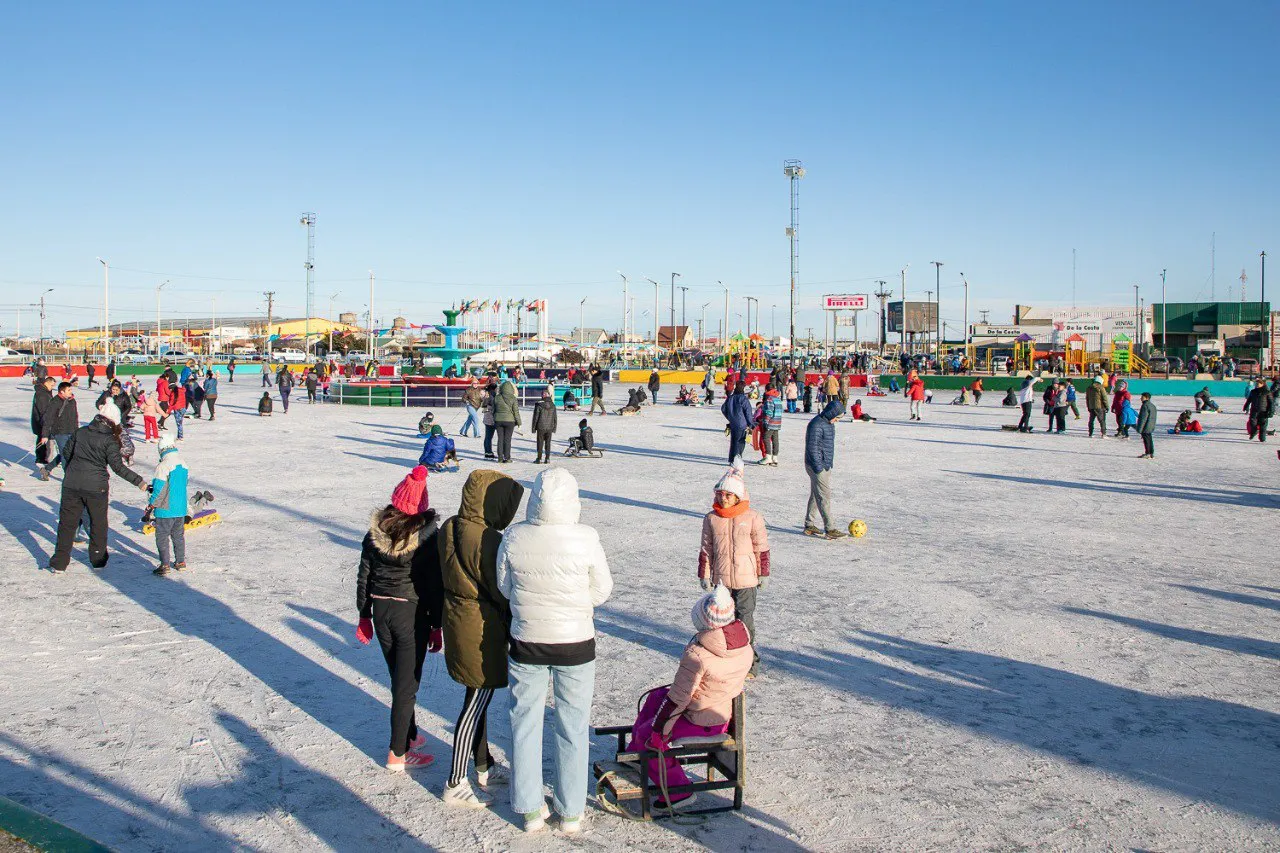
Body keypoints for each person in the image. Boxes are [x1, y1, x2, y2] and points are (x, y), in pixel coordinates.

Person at [497, 468, 612, 833]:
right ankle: (571, 811)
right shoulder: (586, 537)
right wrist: (577, 608)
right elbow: (602, 588)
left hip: (527, 641)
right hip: (575, 644)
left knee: (524, 724)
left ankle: (530, 810)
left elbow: (504, 586)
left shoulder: (515, 535)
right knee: (573, 726)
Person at [438, 469, 525, 808]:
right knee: (475, 703)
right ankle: (455, 780)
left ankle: (483, 764)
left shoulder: (452, 525)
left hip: (459, 619)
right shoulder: (487, 539)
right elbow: (500, 589)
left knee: (478, 698)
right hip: (481, 628)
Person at [625, 585, 753, 809]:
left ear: (703, 623)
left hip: (705, 720)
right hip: (714, 706)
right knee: (656, 697)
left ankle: (677, 792)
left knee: (649, 735)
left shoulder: (698, 655)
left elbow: (678, 699)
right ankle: (637, 756)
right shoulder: (744, 646)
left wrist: (659, 733)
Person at [355, 465, 445, 771]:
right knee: (407, 685)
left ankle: (410, 733)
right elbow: (433, 584)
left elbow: (364, 577)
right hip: (411, 614)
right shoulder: (426, 537)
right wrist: (436, 623)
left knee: (399, 677)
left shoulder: (374, 533)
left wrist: (364, 615)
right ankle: (398, 753)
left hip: (382, 612)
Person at [47, 400, 148, 572]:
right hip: (96, 487)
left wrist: (74, 470)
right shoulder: (109, 440)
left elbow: (66, 453)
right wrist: (139, 481)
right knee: (98, 523)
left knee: (67, 524)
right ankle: (97, 559)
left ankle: (60, 562)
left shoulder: (80, 432)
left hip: (72, 484)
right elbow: (118, 467)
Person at [697, 462, 768, 675]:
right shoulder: (712, 518)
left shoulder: (752, 517)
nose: (723, 498)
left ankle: (749, 663)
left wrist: (763, 573)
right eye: (720, 494)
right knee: (723, 623)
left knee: (744, 621)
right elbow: (706, 548)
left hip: (746, 580)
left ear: (738, 496)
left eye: (728, 495)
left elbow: (761, 548)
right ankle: (726, 659)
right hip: (722, 581)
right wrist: (704, 573)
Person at [147, 431, 191, 576]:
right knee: (178, 536)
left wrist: (152, 504)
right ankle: (180, 562)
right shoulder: (183, 463)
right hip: (180, 508)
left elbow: (159, 489)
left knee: (162, 536)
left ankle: (164, 564)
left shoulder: (164, 465)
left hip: (165, 509)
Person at [804, 400, 846, 539]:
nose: (837, 420)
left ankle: (809, 525)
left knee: (816, 494)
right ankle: (830, 529)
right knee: (824, 496)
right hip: (816, 465)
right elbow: (813, 448)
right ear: (832, 413)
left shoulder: (828, 424)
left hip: (824, 463)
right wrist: (818, 467)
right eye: (837, 417)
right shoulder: (816, 425)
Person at [38, 382, 80, 480]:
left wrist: (77, 431)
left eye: (71, 390)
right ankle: (69, 478)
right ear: (62, 391)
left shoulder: (72, 401)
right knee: (65, 454)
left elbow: (75, 417)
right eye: (68, 390)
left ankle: (47, 469)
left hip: (71, 431)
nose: (71, 392)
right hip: (59, 432)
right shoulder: (55, 402)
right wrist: (44, 435)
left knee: (67, 453)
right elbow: (48, 419)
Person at [721, 382, 753, 464]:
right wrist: (750, 424)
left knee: (734, 441)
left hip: (733, 423)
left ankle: (732, 459)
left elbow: (723, 408)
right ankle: (736, 460)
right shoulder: (743, 399)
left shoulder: (730, 397)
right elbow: (748, 412)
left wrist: (730, 417)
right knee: (740, 442)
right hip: (742, 424)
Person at [30, 375, 58, 468]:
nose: (52, 387)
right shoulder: (42, 393)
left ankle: (43, 457)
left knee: (43, 437)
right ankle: (41, 458)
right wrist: (47, 421)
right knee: (43, 437)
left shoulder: (45, 391)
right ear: (47, 382)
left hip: (42, 420)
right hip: (41, 420)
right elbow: (43, 410)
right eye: (52, 385)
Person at [492, 378, 520, 464]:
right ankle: (507, 457)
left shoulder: (497, 398)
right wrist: (519, 422)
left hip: (498, 420)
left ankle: (500, 458)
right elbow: (516, 411)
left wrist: (495, 418)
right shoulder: (513, 398)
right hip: (510, 421)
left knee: (500, 439)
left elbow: (493, 410)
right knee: (507, 440)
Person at [531, 388, 557, 464]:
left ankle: (539, 459)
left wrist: (533, 428)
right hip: (550, 427)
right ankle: (547, 458)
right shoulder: (553, 405)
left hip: (540, 427)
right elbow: (555, 418)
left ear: (543, 396)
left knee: (540, 443)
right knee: (548, 443)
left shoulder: (539, 405)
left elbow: (535, 417)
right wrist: (554, 428)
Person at [760, 386, 782, 466]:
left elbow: (769, 412)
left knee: (766, 438)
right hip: (777, 422)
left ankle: (768, 457)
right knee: (775, 439)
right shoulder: (777, 398)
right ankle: (775, 458)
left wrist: (766, 421)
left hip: (771, 422)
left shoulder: (769, 399)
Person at [1136, 392, 1158, 458]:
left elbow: (1143, 418)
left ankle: (1148, 453)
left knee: (1146, 440)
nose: (1141, 398)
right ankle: (1151, 453)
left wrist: (1140, 428)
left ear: (1147, 398)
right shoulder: (1152, 405)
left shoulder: (1145, 405)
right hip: (1151, 425)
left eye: (1142, 397)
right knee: (1149, 439)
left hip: (1146, 426)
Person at [482, 381, 498, 460]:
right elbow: (492, 408)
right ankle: (488, 452)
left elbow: (484, 409)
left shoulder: (486, 395)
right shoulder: (491, 396)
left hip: (487, 419)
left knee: (488, 437)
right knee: (489, 437)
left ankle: (487, 452)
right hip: (491, 420)